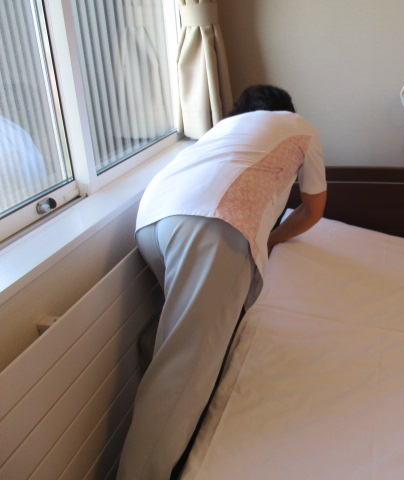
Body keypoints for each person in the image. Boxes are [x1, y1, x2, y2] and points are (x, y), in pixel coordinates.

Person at [117, 85, 327, 479]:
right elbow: (313, 209)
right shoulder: (299, 126)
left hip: (151, 222)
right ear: (285, 109)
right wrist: (268, 239)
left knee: (176, 341)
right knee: (185, 368)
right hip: (213, 221)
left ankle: (178, 436)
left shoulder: (218, 134)